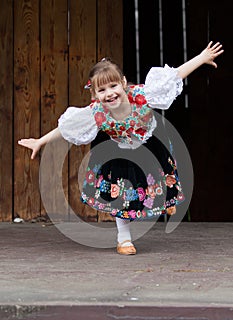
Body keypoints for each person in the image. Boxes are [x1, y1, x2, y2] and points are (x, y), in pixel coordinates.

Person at [18, 41, 223, 255]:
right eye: (102, 90)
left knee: (161, 178)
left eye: (113, 86)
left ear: (123, 83)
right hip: (119, 151)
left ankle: (165, 200)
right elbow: (67, 127)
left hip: (148, 145)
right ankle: (124, 239)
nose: (109, 93)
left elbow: (175, 76)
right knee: (122, 193)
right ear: (95, 94)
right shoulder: (96, 112)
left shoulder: (143, 95)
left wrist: (201, 58)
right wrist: (40, 141)